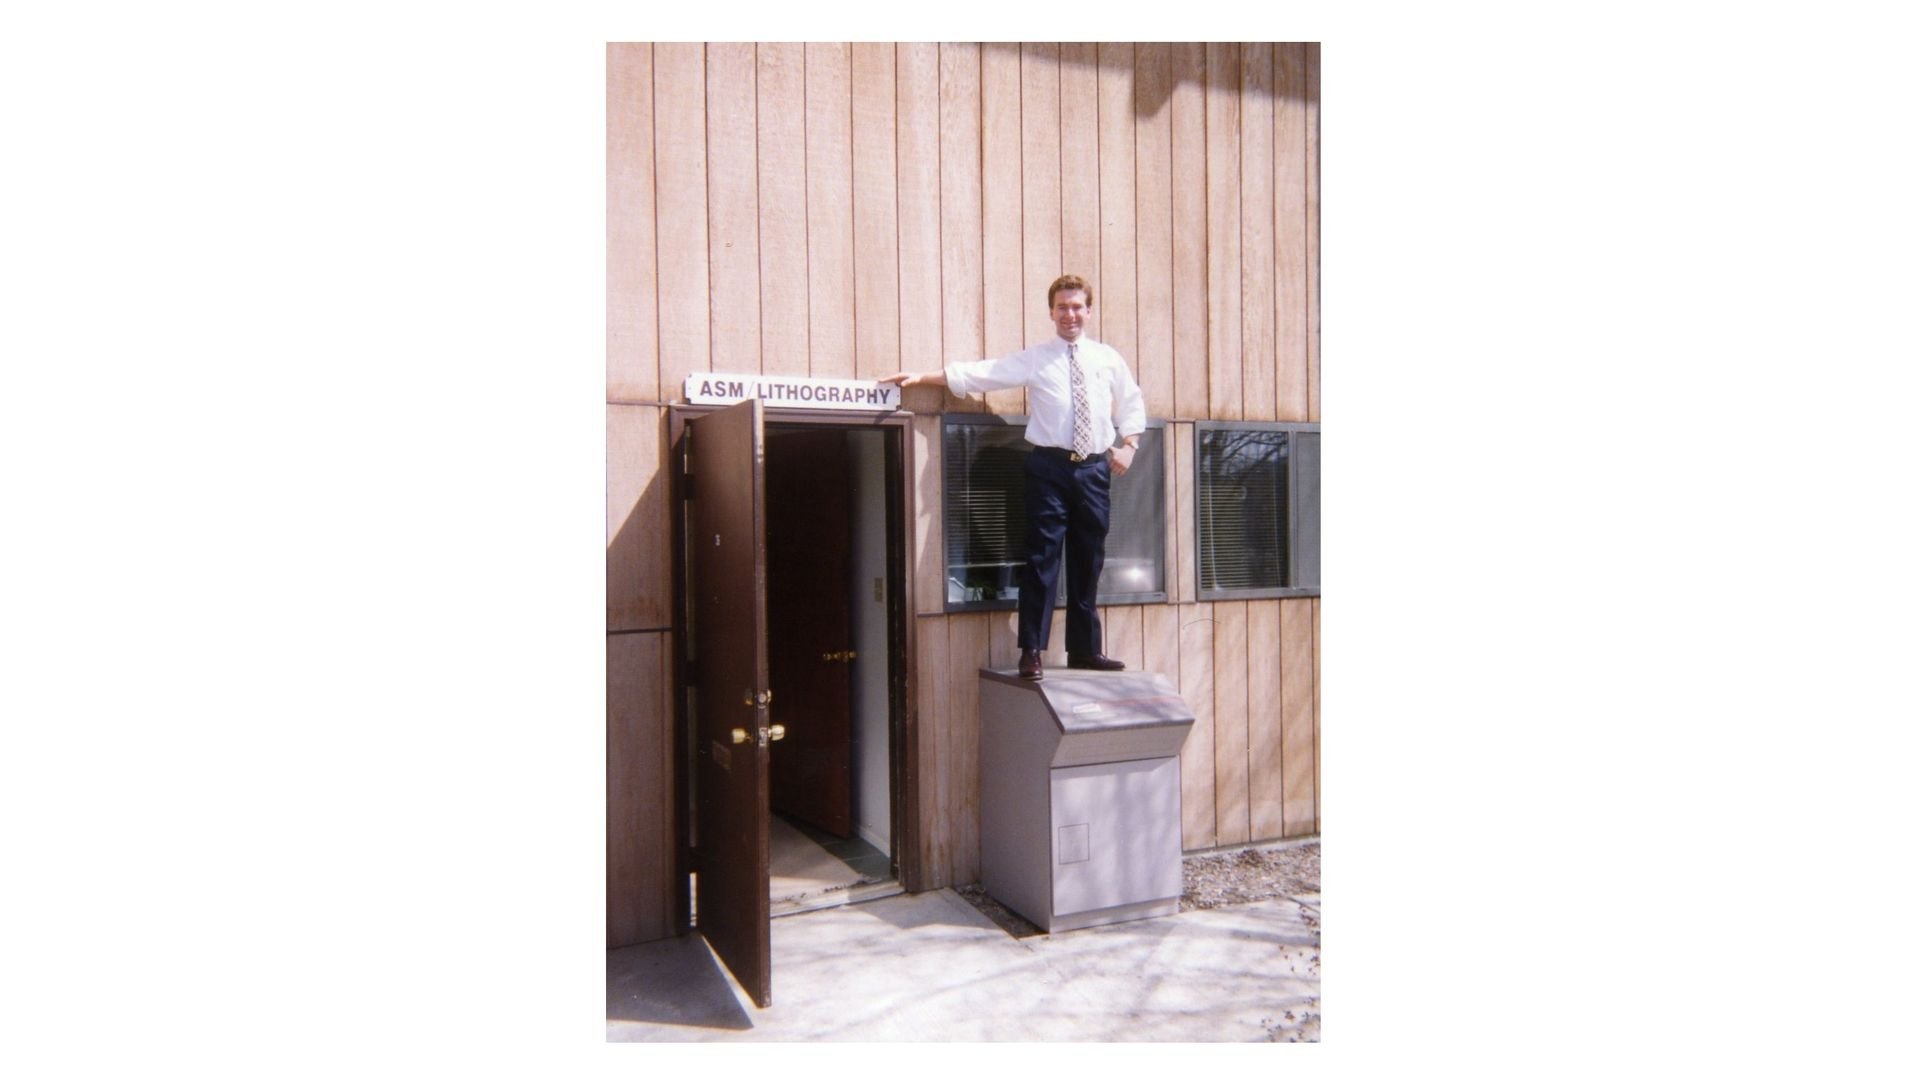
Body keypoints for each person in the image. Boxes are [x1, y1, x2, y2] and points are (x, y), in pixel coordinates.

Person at [882, 274, 1146, 680]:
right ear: (1051, 312)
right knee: (1042, 560)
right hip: (1049, 468)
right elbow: (986, 373)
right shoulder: (1037, 358)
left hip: (1094, 469)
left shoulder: (1108, 358)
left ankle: (1084, 650)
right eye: (1062, 307)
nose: (1070, 315)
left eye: (1077, 307)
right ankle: (1032, 651)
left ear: (1088, 311)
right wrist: (924, 377)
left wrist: (1129, 446)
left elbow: (1130, 400)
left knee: (1087, 560)